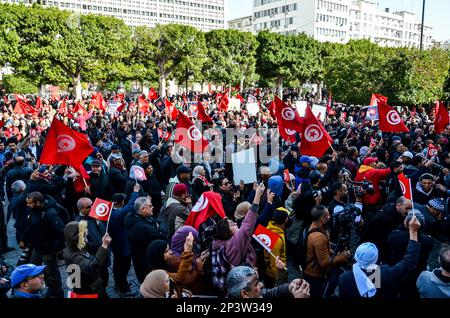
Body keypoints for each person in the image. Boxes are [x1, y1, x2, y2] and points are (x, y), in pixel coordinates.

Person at [338, 215, 422, 298]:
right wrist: (413, 232)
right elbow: (408, 262)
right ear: (376, 259)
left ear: (356, 256)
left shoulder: (344, 279)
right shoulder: (384, 274)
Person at [20, 191, 65, 298]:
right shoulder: (32, 210)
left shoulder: (50, 214)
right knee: (34, 267)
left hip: (48, 250)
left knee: (52, 273)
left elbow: (61, 232)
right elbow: (30, 226)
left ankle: (58, 292)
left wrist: (55, 248)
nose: (27, 205)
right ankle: (50, 288)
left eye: (30, 203)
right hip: (36, 247)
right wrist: (23, 239)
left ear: (38, 203)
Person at [303, 205, 351, 299]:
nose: (330, 217)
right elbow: (324, 263)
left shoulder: (314, 226)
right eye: (328, 215)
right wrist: (342, 257)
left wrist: (333, 253)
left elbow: (323, 250)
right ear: (322, 218)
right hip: (314, 276)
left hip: (310, 272)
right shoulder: (319, 238)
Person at [63, 221, 112, 298]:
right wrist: (104, 246)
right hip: (90, 290)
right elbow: (92, 266)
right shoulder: (75, 257)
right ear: (76, 238)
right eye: (84, 235)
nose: (86, 236)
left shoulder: (72, 246)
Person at [108, 183, 140, 297]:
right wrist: (135, 192)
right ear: (120, 202)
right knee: (123, 267)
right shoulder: (118, 213)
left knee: (117, 266)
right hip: (122, 246)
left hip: (116, 245)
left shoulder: (109, 211)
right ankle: (124, 288)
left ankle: (119, 283)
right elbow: (130, 206)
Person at [124, 196, 166, 283]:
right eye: (150, 206)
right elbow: (161, 237)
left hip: (141, 260)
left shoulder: (135, 217)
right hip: (146, 263)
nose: (153, 207)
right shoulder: (142, 227)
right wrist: (158, 229)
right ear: (143, 209)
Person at [360, 197, 412, 262]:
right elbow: (380, 238)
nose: (408, 211)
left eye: (410, 209)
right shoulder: (385, 217)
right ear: (398, 205)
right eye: (407, 208)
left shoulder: (396, 211)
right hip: (373, 246)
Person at [226, 266, 310, 298]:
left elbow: (273, 292)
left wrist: (289, 288)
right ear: (244, 293)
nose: (261, 285)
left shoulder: (254, 295)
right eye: (256, 284)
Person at [263, 208, 290, 288]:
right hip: (273, 275)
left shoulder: (269, 226)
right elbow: (274, 263)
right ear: (285, 220)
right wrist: (280, 280)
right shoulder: (277, 240)